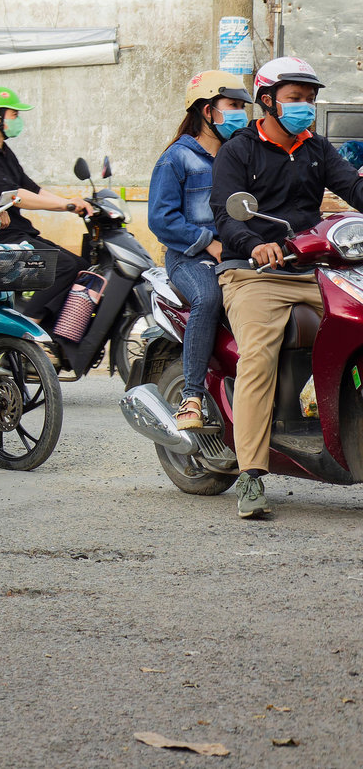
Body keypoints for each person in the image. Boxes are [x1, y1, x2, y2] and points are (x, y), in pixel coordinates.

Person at [210, 56, 363, 518]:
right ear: (268, 100)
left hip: (316, 271)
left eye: (311, 99)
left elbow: (353, 189)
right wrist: (255, 244)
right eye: (296, 99)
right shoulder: (239, 150)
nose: (306, 108)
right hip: (255, 274)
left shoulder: (316, 148)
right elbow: (224, 213)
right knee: (259, 355)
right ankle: (251, 476)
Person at [149, 72, 251, 433]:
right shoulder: (177, 158)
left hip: (238, 253)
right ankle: (191, 397)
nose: (241, 114)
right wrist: (208, 242)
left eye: (243, 106)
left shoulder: (239, 155)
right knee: (208, 298)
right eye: (234, 106)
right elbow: (161, 219)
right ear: (208, 111)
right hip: (188, 257)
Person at [0, 85, 94, 325]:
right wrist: (65, 207)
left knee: (82, 266)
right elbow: (16, 196)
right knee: (63, 267)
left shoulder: (3, 152)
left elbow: (33, 188)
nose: (18, 120)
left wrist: (69, 202)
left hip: (17, 233)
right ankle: (28, 331)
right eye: (15, 114)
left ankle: (55, 335)